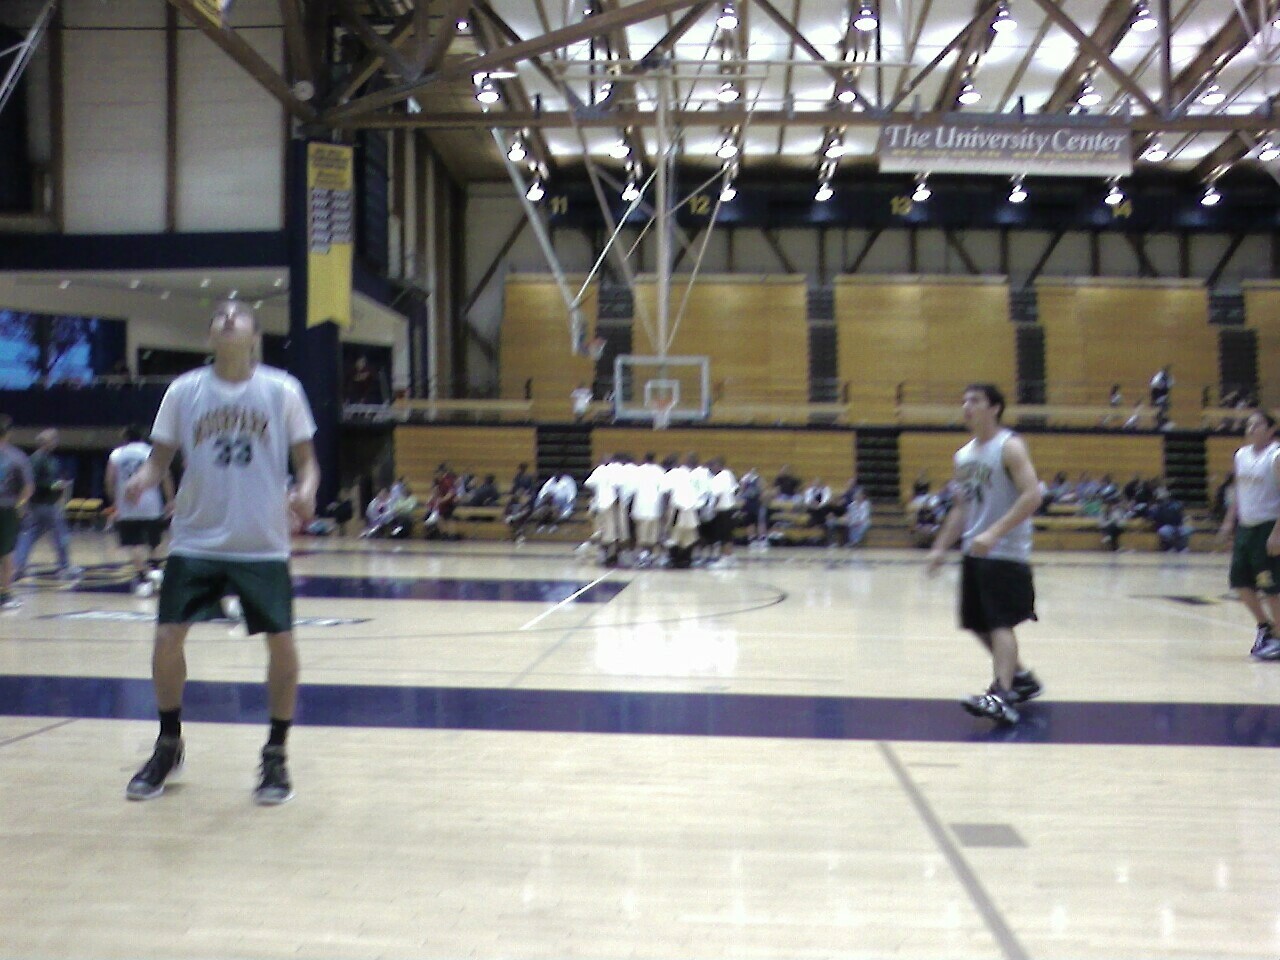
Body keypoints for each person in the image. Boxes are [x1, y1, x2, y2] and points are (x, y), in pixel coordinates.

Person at [121, 300, 319, 805]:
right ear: (209, 335)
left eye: (239, 315)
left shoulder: (282, 389)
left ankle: (275, 754)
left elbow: (307, 462)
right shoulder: (184, 391)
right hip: (196, 536)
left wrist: (307, 491)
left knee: (282, 644)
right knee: (167, 636)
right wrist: (143, 480)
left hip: (261, 541)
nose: (228, 320)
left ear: (256, 334)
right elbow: (161, 458)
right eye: (219, 316)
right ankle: (168, 741)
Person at [928, 384, 1044, 725]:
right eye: (964, 400)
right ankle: (1020, 678)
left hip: (1005, 551)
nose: (966, 406)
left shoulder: (1009, 446)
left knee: (999, 623)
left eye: (975, 400)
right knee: (977, 624)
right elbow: (962, 508)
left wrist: (995, 532)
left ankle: (1002, 692)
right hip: (974, 552)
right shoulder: (963, 456)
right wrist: (939, 548)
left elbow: (1032, 495)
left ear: (994, 408)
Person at [1218, 411, 1280, 660]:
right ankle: (1265, 627)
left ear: (1271, 429)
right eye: (1249, 424)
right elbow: (1237, 493)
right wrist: (1228, 522)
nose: (1252, 428)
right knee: (1240, 582)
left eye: (1257, 424)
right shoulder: (1241, 455)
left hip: (1268, 527)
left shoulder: (1275, 455)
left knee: (1272, 588)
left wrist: (1277, 533)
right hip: (1246, 528)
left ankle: (1278, 637)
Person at [106, 425, 174, 597]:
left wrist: (114, 500)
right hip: (151, 503)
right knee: (155, 542)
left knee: (134, 542)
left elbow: (110, 480)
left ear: (125, 437)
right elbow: (165, 475)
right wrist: (170, 499)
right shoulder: (150, 452)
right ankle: (156, 571)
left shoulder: (117, 454)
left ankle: (143, 579)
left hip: (127, 505)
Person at [13, 428, 79, 581]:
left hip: (43, 504)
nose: (56, 442)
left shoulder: (49, 459)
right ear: (45, 442)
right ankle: (64, 567)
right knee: (61, 534)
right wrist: (53, 486)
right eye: (53, 439)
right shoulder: (37, 459)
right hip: (44, 504)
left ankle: (18, 566)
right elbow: (32, 482)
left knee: (29, 535)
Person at [0, 415, 33, 610]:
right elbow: (27, 486)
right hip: (8, 509)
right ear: (9, 433)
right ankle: (5, 595)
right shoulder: (17, 456)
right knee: (7, 553)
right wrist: (21, 506)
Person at [630, 452, 665, 567]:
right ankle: (649, 555)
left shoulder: (637, 471)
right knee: (652, 535)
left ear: (644, 458)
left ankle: (642, 555)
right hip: (655, 507)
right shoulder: (660, 471)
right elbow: (663, 490)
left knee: (641, 534)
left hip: (640, 506)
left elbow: (632, 489)